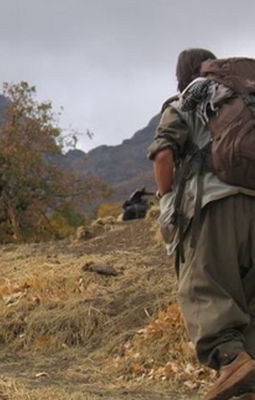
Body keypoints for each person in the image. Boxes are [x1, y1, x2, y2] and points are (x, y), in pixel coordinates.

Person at [148, 48, 255, 400]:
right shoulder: (241, 99)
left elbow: (164, 153)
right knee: (248, 296)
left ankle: (230, 361)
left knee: (202, 286)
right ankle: (248, 381)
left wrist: (166, 199)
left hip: (212, 206)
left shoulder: (189, 99)